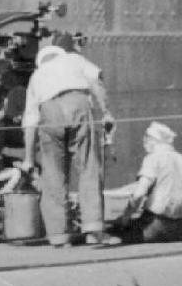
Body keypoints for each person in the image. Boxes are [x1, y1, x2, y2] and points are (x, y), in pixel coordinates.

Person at [20, 45, 118, 247]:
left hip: (48, 111)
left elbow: (30, 120)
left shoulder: (36, 76)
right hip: (77, 103)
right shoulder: (74, 58)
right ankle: (93, 231)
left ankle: (58, 236)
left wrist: (28, 158)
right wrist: (106, 111)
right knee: (88, 167)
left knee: (53, 175)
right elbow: (96, 82)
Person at [113, 122, 182, 243]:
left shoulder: (153, 158)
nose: (143, 142)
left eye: (146, 138)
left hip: (155, 224)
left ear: (154, 140)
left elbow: (139, 194)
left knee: (113, 233)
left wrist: (124, 218)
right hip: (179, 229)